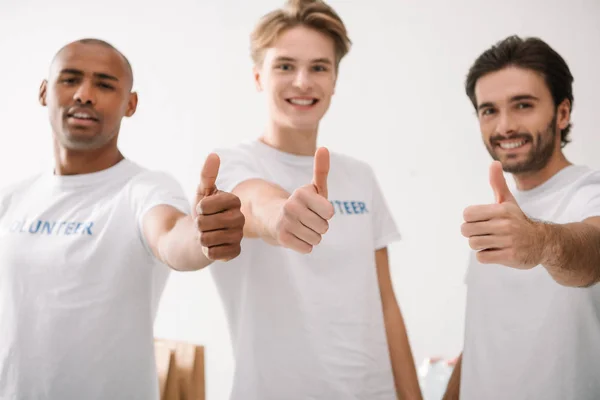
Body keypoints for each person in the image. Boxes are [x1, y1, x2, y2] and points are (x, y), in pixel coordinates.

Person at [0, 38, 245, 399]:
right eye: (69, 79)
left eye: (104, 84)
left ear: (130, 104)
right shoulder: (13, 198)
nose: (84, 94)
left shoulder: (144, 189)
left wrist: (202, 236)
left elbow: (172, 237)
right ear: (43, 92)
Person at [210, 1, 422, 399]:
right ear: (258, 76)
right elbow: (253, 204)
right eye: (285, 66)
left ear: (335, 80)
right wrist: (280, 218)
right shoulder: (229, 167)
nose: (303, 81)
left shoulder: (359, 177)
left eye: (319, 67)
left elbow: (385, 302)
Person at [443, 35, 600, 400]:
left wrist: (542, 243)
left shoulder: (590, 193)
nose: (504, 127)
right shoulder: (500, 212)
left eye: (523, 105)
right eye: (489, 110)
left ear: (562, 112)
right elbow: (484, 337)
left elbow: (592, 254)